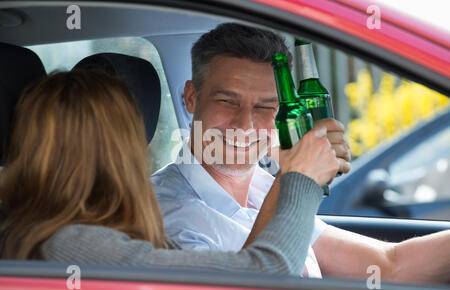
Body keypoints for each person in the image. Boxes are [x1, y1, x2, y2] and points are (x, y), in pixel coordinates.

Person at [151, 23, 450, 284]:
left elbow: (389, 266)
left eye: (265, 107)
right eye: (227, 101)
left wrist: (292, 178)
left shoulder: (262, 186)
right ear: (191, 98)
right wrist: (297, 177)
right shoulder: (161, 214)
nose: (246, 124)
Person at [0, 70, 340, 275]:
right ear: (121, 152)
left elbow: (228, 287)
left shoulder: (95, 233)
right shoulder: (71, 245)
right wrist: (301, 178)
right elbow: (261, 284)